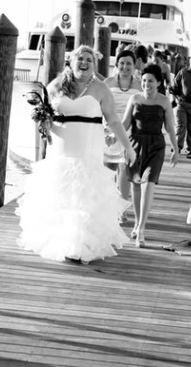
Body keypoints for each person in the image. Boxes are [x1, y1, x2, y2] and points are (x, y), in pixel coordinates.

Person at [16, 45, 136, 264]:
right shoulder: (56, 86)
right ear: (71, 62)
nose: (84, 62)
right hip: (60, 150)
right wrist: (43, 122)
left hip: (88, 152)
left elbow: (114, 120)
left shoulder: (101, 89)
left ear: (94, 64)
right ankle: (59, 241)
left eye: (89, 59)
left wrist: (127, 147)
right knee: (60, 193)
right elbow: (44, 116)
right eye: (80, 58)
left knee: (83, 197)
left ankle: (81, 245)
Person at [121, 64, 179, 247]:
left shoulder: (164, 102)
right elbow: (124, 124)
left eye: (151, 81)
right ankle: (137, 223)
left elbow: (170, 127)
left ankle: (142, 228)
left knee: (149, 184)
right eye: (144, 80)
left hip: (156, 146)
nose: (146, 84)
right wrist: (111, 135)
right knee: (136, 186)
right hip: (135, 145)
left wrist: (176, 149)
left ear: (159, 83)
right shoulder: (134, 98)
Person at [103, 50, 142, 222]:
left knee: (125, 171)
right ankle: (106, 205)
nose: (125, 67)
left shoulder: (140, 85)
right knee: (107, 171)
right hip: (108, 129)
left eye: (129, 64)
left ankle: (122, 209)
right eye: (122, 63)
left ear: (134, 67)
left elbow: (141, 109)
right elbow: (100, 105)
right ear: (116, 64)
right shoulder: (108, 82)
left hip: (129, 131)